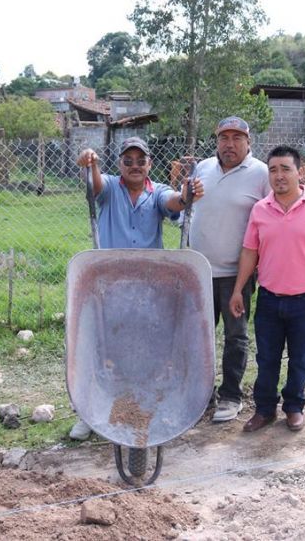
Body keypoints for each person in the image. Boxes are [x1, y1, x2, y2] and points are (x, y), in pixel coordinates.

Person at [69, 136, 204, 439]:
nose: (134, 166)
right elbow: (95, 185)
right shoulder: (109, 188)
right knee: (100, 346)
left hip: (148, 290)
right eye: (127, 161)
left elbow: (175, 202)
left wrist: (186, 195)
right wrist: (90, 161)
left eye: (140, 160)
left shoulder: (157, 193)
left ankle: (146, 404)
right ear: (119, 164)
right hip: (108, 285)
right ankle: (89, 413)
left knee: (145, 348)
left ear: (149, 164)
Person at [229, 145, 305, 433]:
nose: (279, 175)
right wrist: (238, 289)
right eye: (273, 170)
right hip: (269, 299)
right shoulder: (260, 210)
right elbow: (249, 252)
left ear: (299, 172)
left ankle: (294, 408)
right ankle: (264, 410)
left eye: (285, 169)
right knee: (266, 359)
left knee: (300, 359)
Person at [189, 116, 270, 422]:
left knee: (235, 336)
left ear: (248, 142)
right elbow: (190, 207)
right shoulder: (204, 168)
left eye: (237, 138)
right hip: (199, 272)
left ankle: (231, 396)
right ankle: (201, 395)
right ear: (217, 141)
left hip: (237, 274)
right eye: (224, 138)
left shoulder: (261, 173)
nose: (230, 144)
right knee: (199, 336)